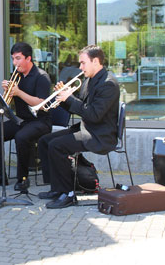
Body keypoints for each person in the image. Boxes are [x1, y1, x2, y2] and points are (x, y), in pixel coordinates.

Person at [37, 45, 120, 209]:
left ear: (95, 61)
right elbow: (80, 107)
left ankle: (67, 194)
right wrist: (63, 99)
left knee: (57, 146)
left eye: (83, 63)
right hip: (88, 128)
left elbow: (94, 115)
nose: (80, 67)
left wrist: (70, 99)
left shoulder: (108, 84)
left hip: (100, 135)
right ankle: (57, 188)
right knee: (45, 141)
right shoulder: (90, 79)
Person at [0, 42, 52, 190]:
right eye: (13, 59)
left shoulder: (41, 77)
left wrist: (19, 92)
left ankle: (23, 179)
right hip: (21, 120)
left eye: (18, 58)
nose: (15, 63)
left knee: (21, 137)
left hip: (40, 121)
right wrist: (7, 92)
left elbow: (41, 103)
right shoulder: (17, 76)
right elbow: (10, 103)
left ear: (28, 58)